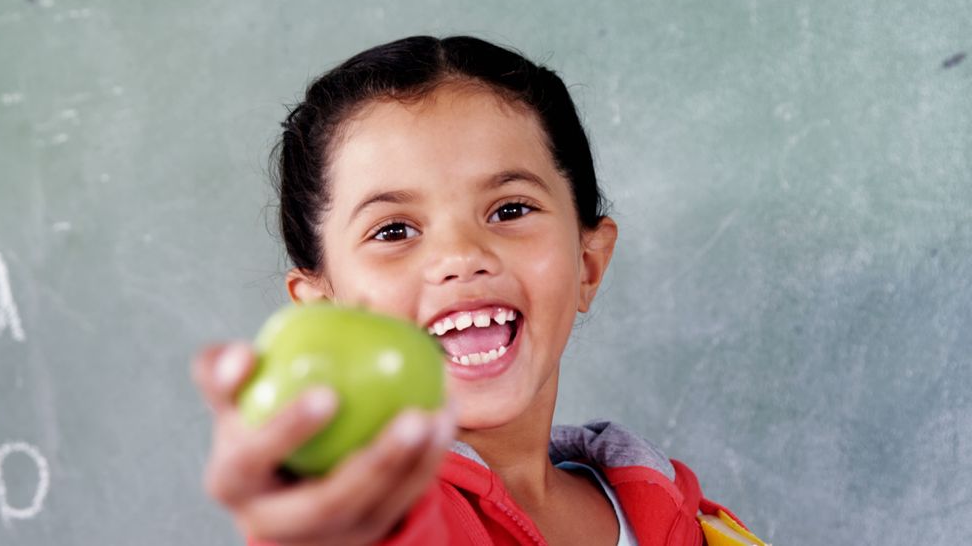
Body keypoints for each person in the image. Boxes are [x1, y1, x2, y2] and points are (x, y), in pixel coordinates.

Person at [192, 35, 756, 546]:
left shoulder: (690, 518)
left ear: (588, 263)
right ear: (324, 311)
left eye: (510, 210)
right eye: (393, 230)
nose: (461, 256)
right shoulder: (370, 523)